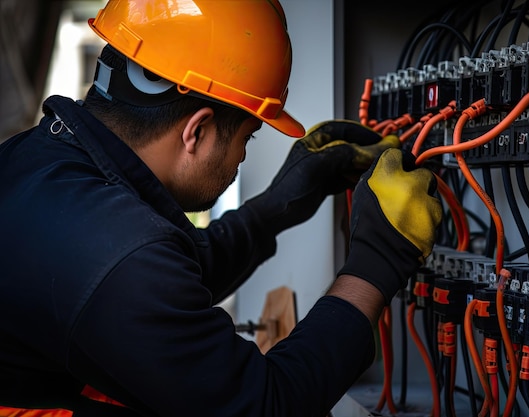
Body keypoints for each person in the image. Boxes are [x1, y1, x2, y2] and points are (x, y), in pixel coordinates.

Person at [0, 1, 442, 416]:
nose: (243, 158)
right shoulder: (114, 254)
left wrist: (278, 205)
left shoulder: (37, 161)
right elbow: (268, 404)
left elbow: (156, 284)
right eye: (247, 138)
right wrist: (377, 262)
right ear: (197, 131)